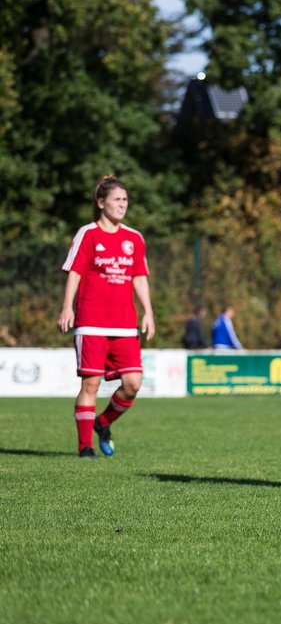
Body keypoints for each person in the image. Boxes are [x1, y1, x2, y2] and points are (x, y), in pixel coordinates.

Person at [57, 175, 155, 458]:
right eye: (116, 199)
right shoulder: (87, 234)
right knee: (91, 384)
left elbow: (139, 278)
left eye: (125, 200)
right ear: (101, 203)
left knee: (133, 384)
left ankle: (103, 422)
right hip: (91, 321)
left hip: (125, 324)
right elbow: (74, 272)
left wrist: (148, 312)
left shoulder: (134, 238)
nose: (122, 205)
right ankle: (84, 446)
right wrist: (67, 306)